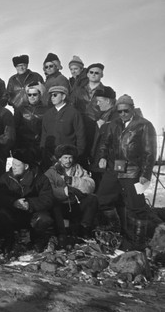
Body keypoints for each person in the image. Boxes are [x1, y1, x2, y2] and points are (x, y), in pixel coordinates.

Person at [95, 94, 157, 235]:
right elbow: (105, 143)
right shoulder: (114, 124)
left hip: (133, 171)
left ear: (132, 109)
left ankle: (138, 238)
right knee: (103, 199)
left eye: (126, 111)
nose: (122, 114)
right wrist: (103, 157)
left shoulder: (144, 125)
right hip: (114, 168)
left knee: (137, 206)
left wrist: (145, 174)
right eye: (120, 111)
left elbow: (150, 153)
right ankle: (115, 230)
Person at [0, 148, 55, 252]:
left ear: (26, 166)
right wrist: (13, 202)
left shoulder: (41, 178)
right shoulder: (5, 178)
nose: (13, 167)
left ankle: (37, 239)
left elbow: (47, 199)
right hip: (13, 214)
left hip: (32, 214)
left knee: (44, 218)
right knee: (0, 214)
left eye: (17, 165)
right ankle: (9, 238)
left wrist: (29, 204)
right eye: (13, 164)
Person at [44, 144, 98, 243]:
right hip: (61, 206)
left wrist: (73, 181)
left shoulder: (78, 169)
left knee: (92, 199)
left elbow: (90, 185)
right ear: (59, 159)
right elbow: (48, 190)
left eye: (70, 158)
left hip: (75, 203)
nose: (68, 161)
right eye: (65, 158)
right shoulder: (51, 172)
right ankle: (61, 233)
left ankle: (84, 229)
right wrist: (65, 191)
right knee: (54, 206)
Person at [40, 86, 85, 170]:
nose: (52, 97)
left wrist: (77, 154)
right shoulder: (47, 114)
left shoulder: (74, 113)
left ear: (63, 96)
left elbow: (80, 135)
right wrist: (43, 152)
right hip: (50, 158)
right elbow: (44, 135)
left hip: (68, 159)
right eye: (51, 95)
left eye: (55, 95)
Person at [14, 82, 48, 154]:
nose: (32, 97)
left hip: (40, 145)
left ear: (40, 94)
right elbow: (15, 128)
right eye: (29, 95)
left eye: (35, 94)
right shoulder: (20, 109)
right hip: (23, 145)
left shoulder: (47, 110)